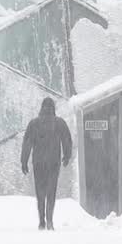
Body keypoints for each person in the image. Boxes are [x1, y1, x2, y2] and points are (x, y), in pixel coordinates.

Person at [20, 97, 73, 230]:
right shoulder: (59, 123)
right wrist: (67, 156)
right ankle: (49, 220)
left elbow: (27, 143)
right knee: (51, 191)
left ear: (41, 108)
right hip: (53, 163)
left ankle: (41, 221)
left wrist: (24, 161)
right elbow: (67, 140)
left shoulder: (34, 124)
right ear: (53, 108)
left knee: (40, 192)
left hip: (38, 163)